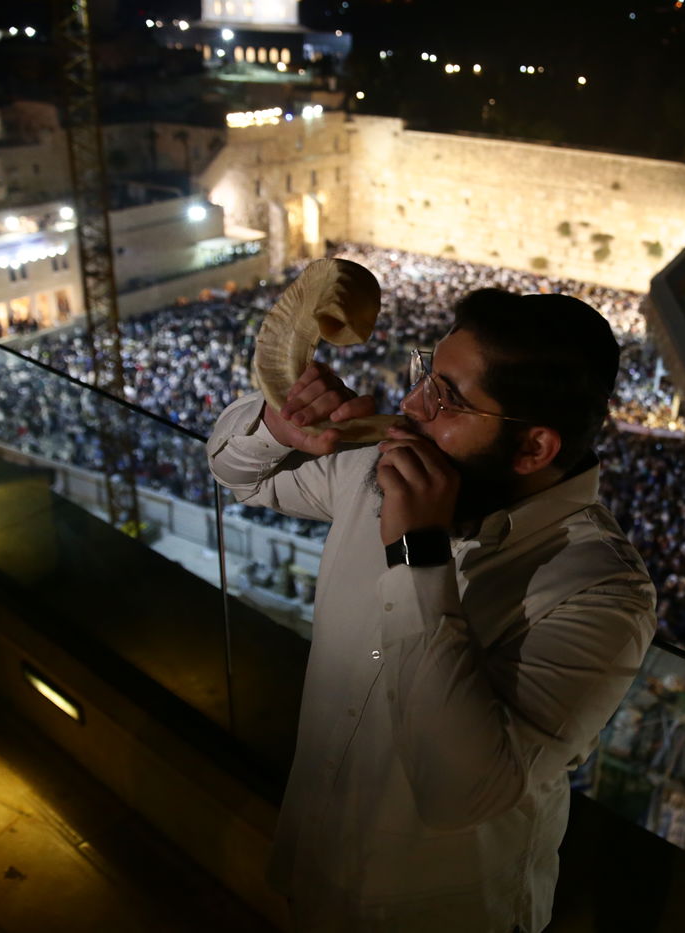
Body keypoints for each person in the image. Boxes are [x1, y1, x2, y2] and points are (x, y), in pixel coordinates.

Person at [207, 288, 657, 932]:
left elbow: (460, 793)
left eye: (447, 398)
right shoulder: (380, 464)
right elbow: (238, 474)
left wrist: (417, 556)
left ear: (533, 449)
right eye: (425, 374)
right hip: (317, 860)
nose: (411, 405)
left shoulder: (600, 592)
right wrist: (278, 426)